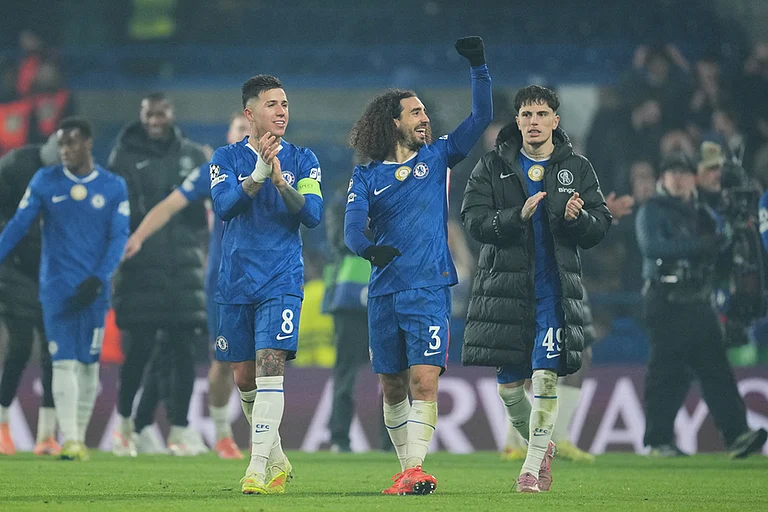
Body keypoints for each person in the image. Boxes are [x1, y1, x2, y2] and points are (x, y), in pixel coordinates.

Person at [345, 36, 492, 495]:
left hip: (429, 287)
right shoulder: (367, 175)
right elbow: (351, 229)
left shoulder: (439, 156)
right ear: (394, 124)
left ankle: (415, 469)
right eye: (416, 112)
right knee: (391, 386)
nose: (425, 118)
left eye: (426, 111)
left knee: (424, 378)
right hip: (385, 291)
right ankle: (408, 467)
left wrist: (478, 67)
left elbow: (481, 118)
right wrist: (368, 251)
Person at [461, 85, 611, 493]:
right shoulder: (492, 166)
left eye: (542, 114)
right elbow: (472, 220)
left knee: (545, 376)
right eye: (526, 114)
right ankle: (542, 448)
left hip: (554, 290)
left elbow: (601, 224)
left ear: (555, 121)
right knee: (510, 389)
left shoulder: (576, 167)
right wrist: (515, 216)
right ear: (518, 120)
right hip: (505, 290)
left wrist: (578, 219)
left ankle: (530, 469)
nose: (533, 122)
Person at [210, 74, 323, 494]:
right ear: (250, 112)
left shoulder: (303, 158)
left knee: (270, 367)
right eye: (273, 104)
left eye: (286, 104)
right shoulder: (224, 157)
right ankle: (276, 458)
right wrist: (257, 174)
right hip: (236, 280)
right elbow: (224, 207)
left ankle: (255, 467)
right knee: (243, 378)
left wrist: (279, 181)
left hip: (281, 278)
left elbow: (309, 214)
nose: (282, 112)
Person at [117, 112, 250, 459]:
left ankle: (265, 441)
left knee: (266, 362)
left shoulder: (285, 166)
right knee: (223, 360)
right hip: (223, 279)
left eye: (249, 128)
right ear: (228, 132)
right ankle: (222, 435)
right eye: (239, 127)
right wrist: (139, 237)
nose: (245, 133)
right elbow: (170, 205)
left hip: (270, 277)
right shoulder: (215, 170)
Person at [0, 117, 129, 460]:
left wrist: (100, 277)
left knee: (88, 365)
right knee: (63, 362)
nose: (65, 151)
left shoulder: (113, 186)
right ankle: (69, 438)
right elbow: (17, 225)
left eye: (71, 143)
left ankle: (79, 437)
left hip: (95, 290)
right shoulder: (45, 180)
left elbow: (118, 238)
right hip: (56, 288)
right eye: (61, 145)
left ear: (88, 143)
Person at [636, 152, 767, 458]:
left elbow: (720, 255)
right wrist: (707, 244)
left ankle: (737, 435)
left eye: (683, 173)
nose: (678, 179)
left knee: (716, 369)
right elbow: (654, 247)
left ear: (693, 178)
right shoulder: (652, 210)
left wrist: (732, 238)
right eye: (672, 173)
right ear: (662, 179)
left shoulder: (703, 212)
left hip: (698, 300)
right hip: (665, 298)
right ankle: (658, 440)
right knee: (667, 370)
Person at [109, 92, 209, 455]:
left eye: (160, 113)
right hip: (139, 267)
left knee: (184, 349)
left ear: (171, 113)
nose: (155, 120)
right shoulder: (124, 156)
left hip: (182, 269)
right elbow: (115, 215)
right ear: (142, 114)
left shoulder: (192, 155)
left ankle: (180, 430)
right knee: (139, 351)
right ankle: (123, 426)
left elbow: (202, 219)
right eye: (149, 114)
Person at [0, 134, 60, 456]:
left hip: (49, 274)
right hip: (14, 270)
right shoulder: (17, 164)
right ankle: (2, 425)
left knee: (53, 351)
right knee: (21, 347)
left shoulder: (74, 175)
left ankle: (47, 435)